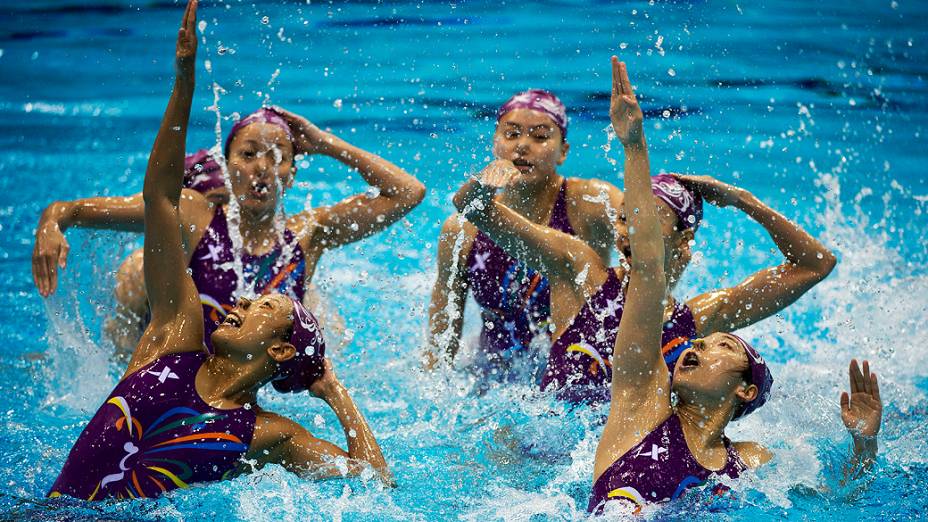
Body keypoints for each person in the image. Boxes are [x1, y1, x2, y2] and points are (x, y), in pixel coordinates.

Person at [48, 1, 390, 501]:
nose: (243, 301)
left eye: (263, 306)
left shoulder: (268, 436)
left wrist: (334, 391)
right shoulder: (174, 340)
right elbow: (160, 196)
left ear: (278, 350)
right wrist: (183, 82)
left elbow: (377, 483)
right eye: (246, 154)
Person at [587, 58, 881, 513]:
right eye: (622, 218)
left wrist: (865, 445)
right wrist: (634, 145)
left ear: (745, 390)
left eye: (718, 347)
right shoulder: (642, 398)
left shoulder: (748, 462)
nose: (696, 347)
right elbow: (649, 267)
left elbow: (840, 502)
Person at [452, 58, 836, 403]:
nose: (630, 230)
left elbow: (814, 265)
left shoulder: (697, 323)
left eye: (647, 220)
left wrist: (743, 200)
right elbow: (472, 208)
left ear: (683, 240)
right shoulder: (579, 269)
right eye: (622, 218)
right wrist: (490, 179)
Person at [32, 48, 425, 356]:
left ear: (291, 172)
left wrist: (325, 143)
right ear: (228, 163)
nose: (262, 168)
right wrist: (52, 222)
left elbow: (409, 193)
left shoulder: (307, 233)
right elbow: (73, 210)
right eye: (249, 154)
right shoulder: (193, 214)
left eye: (277, 157)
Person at [427, 89, 624, 381]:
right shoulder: (461, 231)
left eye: (540, 137)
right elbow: (440, 344)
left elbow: (649, 242)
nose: (522, 146)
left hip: (576, 371)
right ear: (496, 143)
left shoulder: (591, 204)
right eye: (512, 134)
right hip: (493, 376)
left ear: (564, 151)